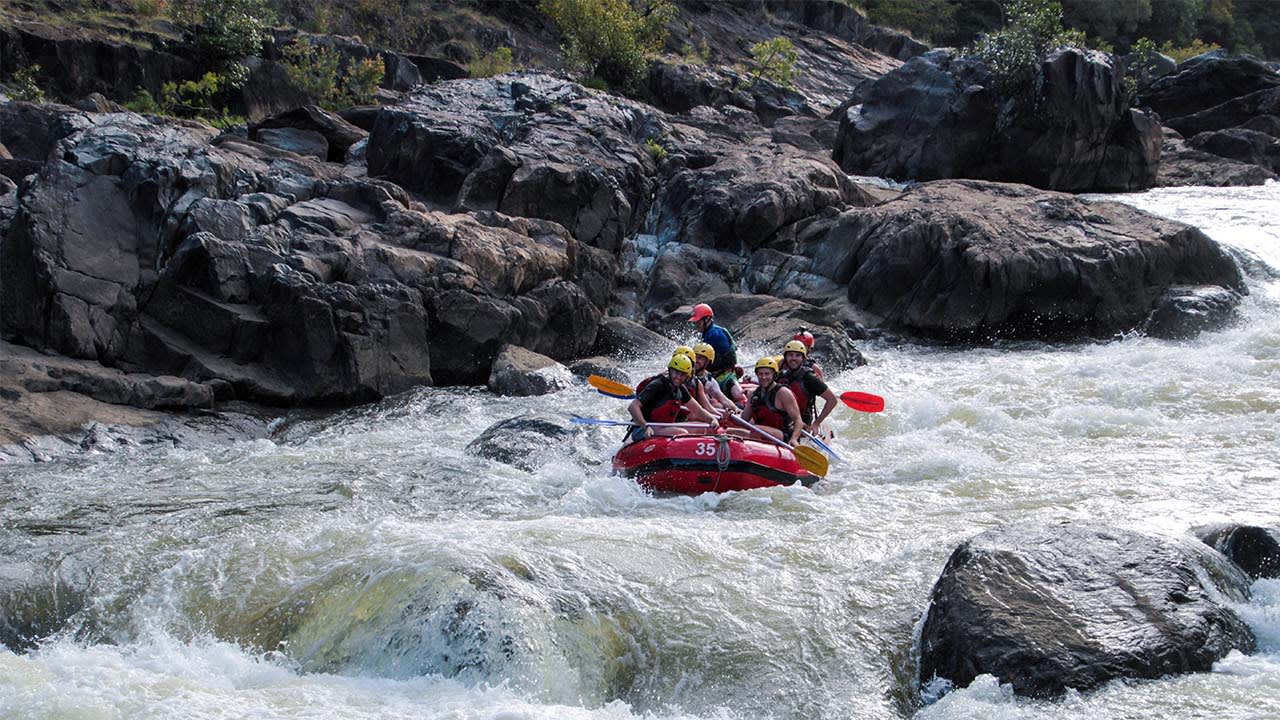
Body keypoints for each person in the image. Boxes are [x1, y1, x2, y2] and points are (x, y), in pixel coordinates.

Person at [627, 354, 717, 443]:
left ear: (687, 377)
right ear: (670, 371)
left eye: (682, 375)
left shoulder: (681, 389)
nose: (678, 377)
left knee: (703, 427)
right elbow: (633, 406)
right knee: (681, 433)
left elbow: (698, 410)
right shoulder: (658, 384)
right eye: (676, 372)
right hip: (644, 429)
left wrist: (712, 419)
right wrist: (645, 426)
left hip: (664, 427)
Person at [735, 356, 802, 445]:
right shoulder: (753, 394)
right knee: (730, 431)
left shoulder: (783, 393)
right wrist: (731, 415)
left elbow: (798, 420)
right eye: (760, 374)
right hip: (759, 432)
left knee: (756, 429)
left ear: (774, 375)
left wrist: (794, 439)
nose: (763, 377)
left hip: (782, 435)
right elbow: (744, 420)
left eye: (767, 374)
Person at [779, 340, 837, 438]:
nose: (793, 358)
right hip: (781, 417)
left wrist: (816, 423)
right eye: (790, 355)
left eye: (797, 355)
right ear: (785, 358)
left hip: (802, 421)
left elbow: (832, 400)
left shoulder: (809, 378)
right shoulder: (780, 375)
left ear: (803, 358)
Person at [688, 303, 740, 398]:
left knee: (736, 395)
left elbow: (706, 358)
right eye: (695, 323)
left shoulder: (713, 334)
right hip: (725, 370)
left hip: (723, 375)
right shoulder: (715, 330)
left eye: (698, 322)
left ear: (707, 319)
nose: (696, 325)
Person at [690, 343, 736, 414]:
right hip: (687, 408)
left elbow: (723, 399)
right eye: (695, 356)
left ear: (707, 361)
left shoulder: (710, 381)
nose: (696, 360)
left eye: (700, 358)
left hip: (700, 409)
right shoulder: (684, 374)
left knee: (718, 405)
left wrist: (736, 410)